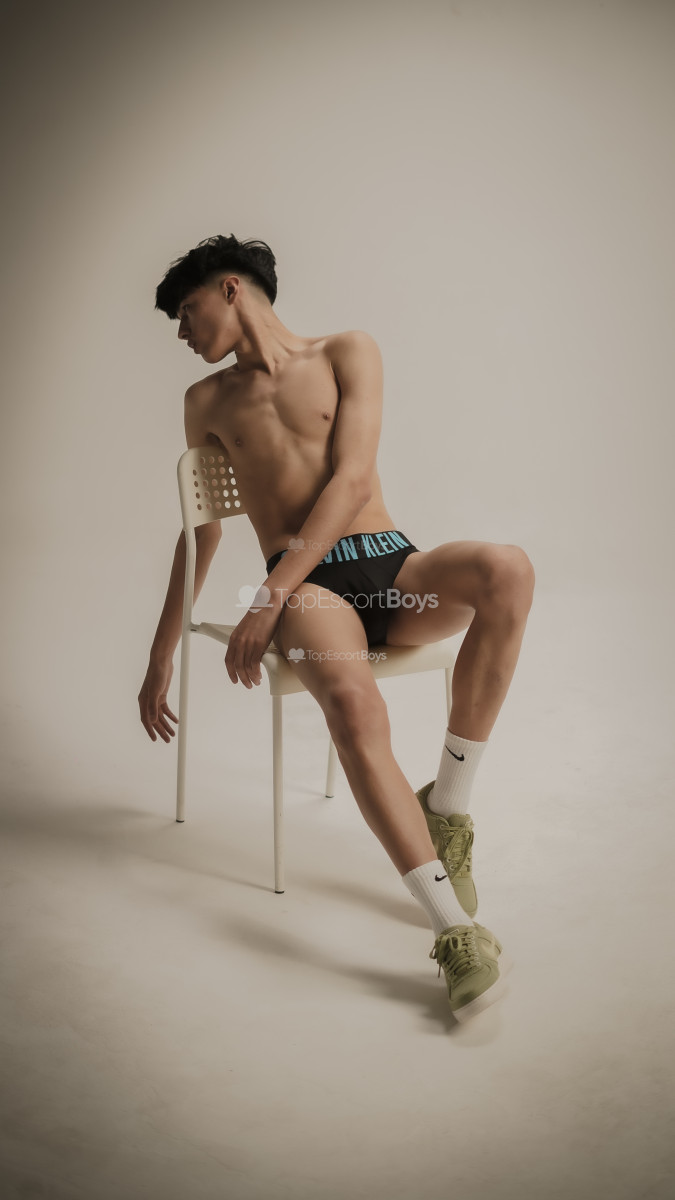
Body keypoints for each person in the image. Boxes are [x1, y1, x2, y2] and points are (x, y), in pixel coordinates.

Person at [138, 233, 535, 1023]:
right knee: (354, 707)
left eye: (185, 310)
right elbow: (203, 534)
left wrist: (264, 597)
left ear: (230, 289)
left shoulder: (348, 350)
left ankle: (447, 808)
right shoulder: (204, 402)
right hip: (311, 594)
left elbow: (352, 480)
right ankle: (453, 932)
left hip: (392, 569)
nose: (181, 332)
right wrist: (161, 656)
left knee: (507, 569)